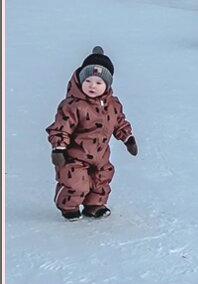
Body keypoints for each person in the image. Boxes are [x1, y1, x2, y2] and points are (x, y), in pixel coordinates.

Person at [46, 46, 138, 220]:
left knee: (102, 179)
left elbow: (119, 122)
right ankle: (68, 207)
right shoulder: (73, 105)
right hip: (76, 155)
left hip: (101, 154)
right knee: (75, 183)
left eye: (98, 83)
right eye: (88, 81)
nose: (92, 86)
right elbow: (61, 126)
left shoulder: (113, 104)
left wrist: (128, 138)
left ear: (107, 85)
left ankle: (94, 205)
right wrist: (58, 148)